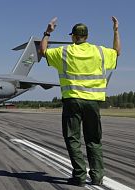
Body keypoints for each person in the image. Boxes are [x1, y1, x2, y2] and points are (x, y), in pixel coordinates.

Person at [39, 17, 121, 186]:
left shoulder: (65, 52)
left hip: (73, 102)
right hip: (92, 102)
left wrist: (48, 32)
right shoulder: (99, 52)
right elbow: (117, 51)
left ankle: (79, 176)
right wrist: (116, 31)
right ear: (86, 36)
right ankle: (97, 176)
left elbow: (43, 51)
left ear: (74, 37)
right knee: (94, 140)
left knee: (73, 139)